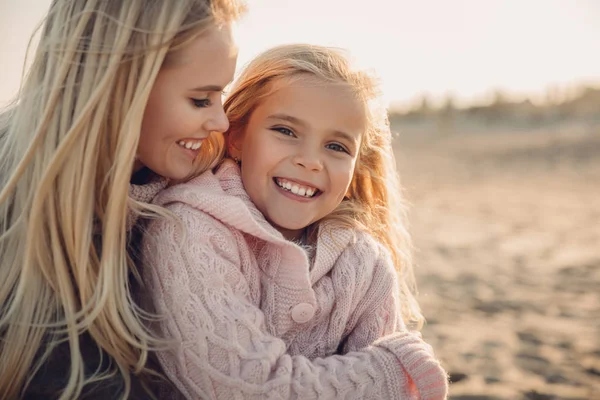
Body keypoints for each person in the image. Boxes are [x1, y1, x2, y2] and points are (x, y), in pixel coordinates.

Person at [141, 44, 448, 399]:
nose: (310, 161)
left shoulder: (365, 264)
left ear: (357, 164)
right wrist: (391, 373)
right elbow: (241, 388)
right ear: (237, 136)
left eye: (336, 147)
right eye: (286, 131)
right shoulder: (188, 230)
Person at [0, 0, 244, 398]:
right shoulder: (22, 219)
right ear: (120, 87)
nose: (221, 121)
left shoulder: (194, 194)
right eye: (201, 99)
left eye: (221, 96)